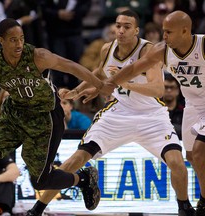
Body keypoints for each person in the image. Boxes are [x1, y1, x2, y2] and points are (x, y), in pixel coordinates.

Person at [27, 10, 195, 216]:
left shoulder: (147, 50)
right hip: (118, 114)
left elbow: (157, 89)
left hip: (151, 117)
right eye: (118, 25)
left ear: (136, 30)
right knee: (75, 160)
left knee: (177, 163)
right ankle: (37, 209)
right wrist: (78, 91)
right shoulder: (108, 49)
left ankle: (185, 208)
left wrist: (124, 82)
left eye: (126, 27)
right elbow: (99, 73)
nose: (121, 30)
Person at [0, 18, 107, 216]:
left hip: (45, 118)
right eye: (12, 40)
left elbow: (70, 66)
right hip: (14, 115)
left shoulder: (38, 56)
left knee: (40, 180)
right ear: (1, 41)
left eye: (21, 38)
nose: (18, 44)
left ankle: (83, 179)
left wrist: (100, 85)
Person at [90, 10, 205, 216]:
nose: (164, 36)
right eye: (163, 31)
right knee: (192, 158)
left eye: (169, 32)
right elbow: (134, 68)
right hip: (192, 105)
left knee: (199, 151)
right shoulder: (162, 50)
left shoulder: (202, 45)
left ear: (185, 31)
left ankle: (203, 202)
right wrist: (111, 82)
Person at [163, 73, 184, 140]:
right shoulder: (154, 107)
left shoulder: (185, 109)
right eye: (166, 87)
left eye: (172, 87)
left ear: (178, 90)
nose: (169, 90)